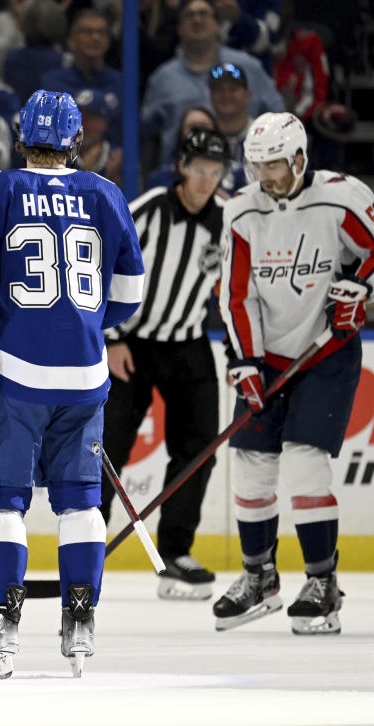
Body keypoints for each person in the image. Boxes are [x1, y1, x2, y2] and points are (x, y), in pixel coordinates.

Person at [0, 90, 144, 679]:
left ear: (21, 137)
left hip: (14, 374)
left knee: (3, 502)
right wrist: (84, 324)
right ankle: (80, 622)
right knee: (81, 503)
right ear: (75, 142)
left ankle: (1, 630)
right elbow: (130, 299)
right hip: (86, 377)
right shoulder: (106, 193)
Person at [215, 112, 374, 634]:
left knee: (304, 462)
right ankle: (259, 577)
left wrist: (364, 293)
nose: (267, 176)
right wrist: (245, 362)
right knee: (252, 465)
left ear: (301, 157)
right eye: (257, 166)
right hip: (269, 356)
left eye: (277, 165)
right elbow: (236, 297)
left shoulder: (340, 197)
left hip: (325, 353)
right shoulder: (241, 212)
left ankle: (322, 582)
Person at [102, 128, 231, 601]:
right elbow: (103, 264)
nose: (205, 181)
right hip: (131, 345)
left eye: (214, 172)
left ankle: (176, 551)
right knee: (107, 448)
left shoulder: (227, 219)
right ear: (181, 166)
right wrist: (112, 337)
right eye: (198, 169)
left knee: (198, 448)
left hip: (188, 345)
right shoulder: (151, 209)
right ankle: (88, 544)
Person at [141, 0, 282, 168]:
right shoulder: (162, 79)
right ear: (179, 28)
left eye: (204, 14)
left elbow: (279, 119)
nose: (197, 20)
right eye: (189, 15)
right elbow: (144, 136)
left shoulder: (249, 68)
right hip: (179, 177)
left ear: (218, 24)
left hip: (245, 175)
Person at [39, 9, 122, 144]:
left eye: (102, 32)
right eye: (87, 32)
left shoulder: (121, 82)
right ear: (71, 40)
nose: (95, 37)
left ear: (108, 40)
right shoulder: (52, 82)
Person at [208, 63, 251, 194]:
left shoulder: (264, 135)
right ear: (211, 96)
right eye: (219, 90)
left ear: (247, 95)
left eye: (233, 89)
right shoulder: (200, 139)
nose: (226, 95)